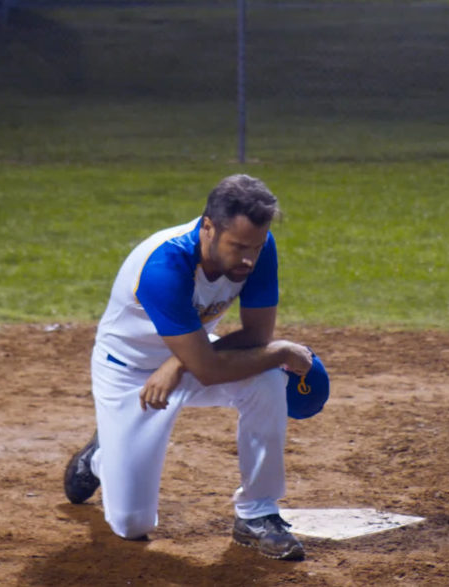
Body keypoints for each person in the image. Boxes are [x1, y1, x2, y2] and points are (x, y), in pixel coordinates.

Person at [63, 174, 313, 561]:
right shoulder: (164, 264)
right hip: (128, 374)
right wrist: (281, 351)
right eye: (239, 246)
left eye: (257, 246)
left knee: (265, 377)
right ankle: (101, 456)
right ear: (208, 227)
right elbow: (212, 368)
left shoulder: (258, 251)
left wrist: (178, 364)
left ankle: (257, 512)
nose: (249, 258)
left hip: (192, 355)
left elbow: (255, 334)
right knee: (132, 524)